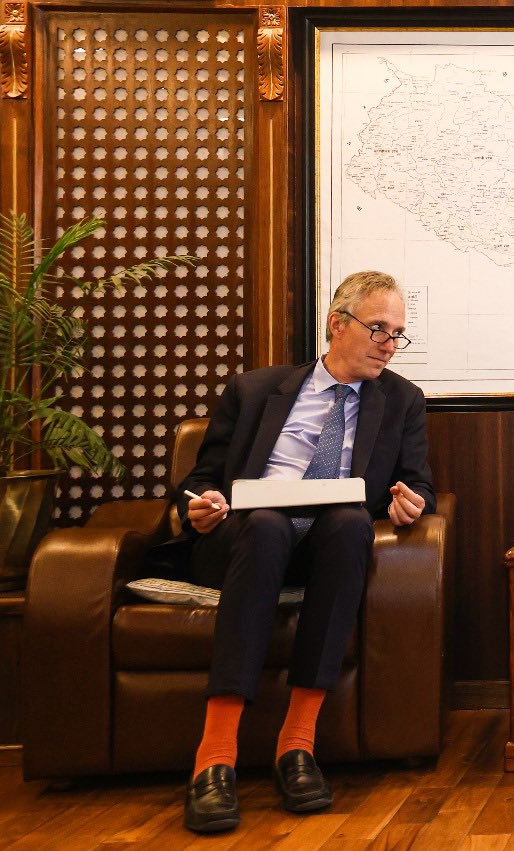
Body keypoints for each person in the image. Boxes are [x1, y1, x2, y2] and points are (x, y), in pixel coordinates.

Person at [172, 270, 436, 833]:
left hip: (328, 548)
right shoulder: (253, 390)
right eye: (379, 329)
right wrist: (200, 504)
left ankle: (297, 745)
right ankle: (214, 757)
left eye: (398, 333)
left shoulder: (401, 401)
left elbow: (419, 483)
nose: (390, 345)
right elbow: (200, 480)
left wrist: (411, 503)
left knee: (349, 523)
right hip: (249, 541)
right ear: (337, 324)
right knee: (267, 525)